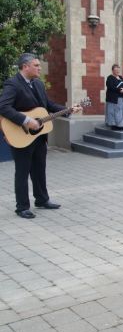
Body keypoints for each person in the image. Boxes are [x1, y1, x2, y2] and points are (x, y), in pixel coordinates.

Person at [0, 53, 82, 219]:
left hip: (39, 136)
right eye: (36, 65)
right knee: (22, 171)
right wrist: (26, 120)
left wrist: (68, 110)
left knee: (39, 169)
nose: (39, 68)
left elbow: (48, 105)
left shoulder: (38, 84)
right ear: (25, 66)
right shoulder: (13, 84)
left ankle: (42, 200)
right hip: (20, 134)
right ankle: (22, 207)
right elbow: (3, 107)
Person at [105, 64, 123, 131]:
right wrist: (119, 90)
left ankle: (121, 125)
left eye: (118, 70)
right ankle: (114, 125)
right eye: (116, 70)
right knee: (113, 112)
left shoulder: (121, 77)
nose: (117, 71)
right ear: (113, 71)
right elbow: (111, 87)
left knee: (121, 112)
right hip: (113, 98)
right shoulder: (110, 78)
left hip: (121, 98)